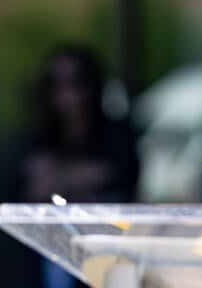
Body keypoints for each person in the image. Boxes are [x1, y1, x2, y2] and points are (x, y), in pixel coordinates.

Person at [10, 45, 139, 288]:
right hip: (47, 257)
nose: (68, 95)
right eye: (57, 85)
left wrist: (59, 175)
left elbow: (121, 175)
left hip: (107, 255)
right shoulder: (35, 139)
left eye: (75, 83)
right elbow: (26, 191)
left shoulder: (117, 136)